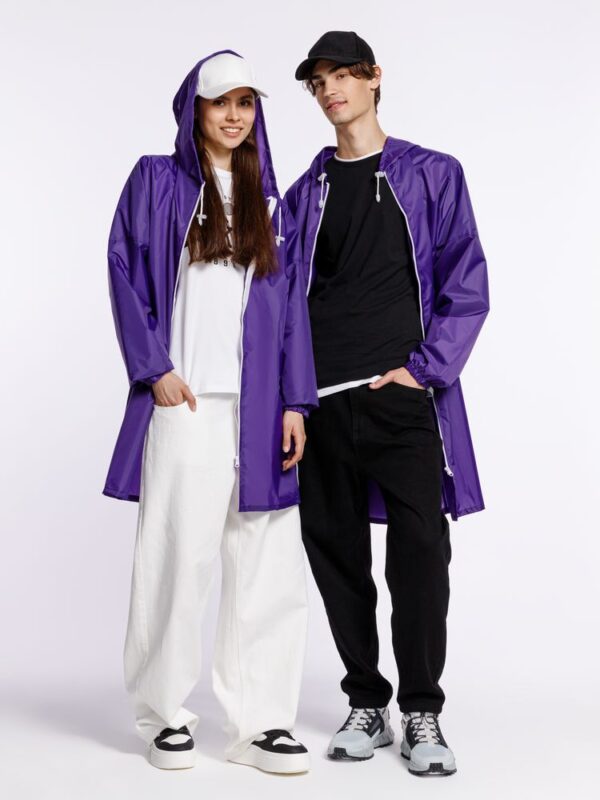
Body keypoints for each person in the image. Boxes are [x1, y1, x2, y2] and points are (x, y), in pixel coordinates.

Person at [103, 50, 318, 774]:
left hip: (261, 411)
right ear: (193, 109)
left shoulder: (272, 202)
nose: (234, 115)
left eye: (246, 102)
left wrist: (296, 401)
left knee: (267, 567)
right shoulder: (156, 182)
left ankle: (262, 724)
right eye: (220, 101)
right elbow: (124, 270)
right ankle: (163, 715)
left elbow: (291, 311)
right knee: (177, 560)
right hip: (187, 403)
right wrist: (154, 369)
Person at [284, 31, 490, 777]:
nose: (331, 90)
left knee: (421, 554)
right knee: (335, 554)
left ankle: (423, 710)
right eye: (318, 82)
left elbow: (466, 281)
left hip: (401, 399)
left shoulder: (432, 173)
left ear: (374, 79)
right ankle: (366, 702)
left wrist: (424, 371)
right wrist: (291, 398)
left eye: (343, 75)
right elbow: (280, 301)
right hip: (322, 403)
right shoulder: (305, 192)